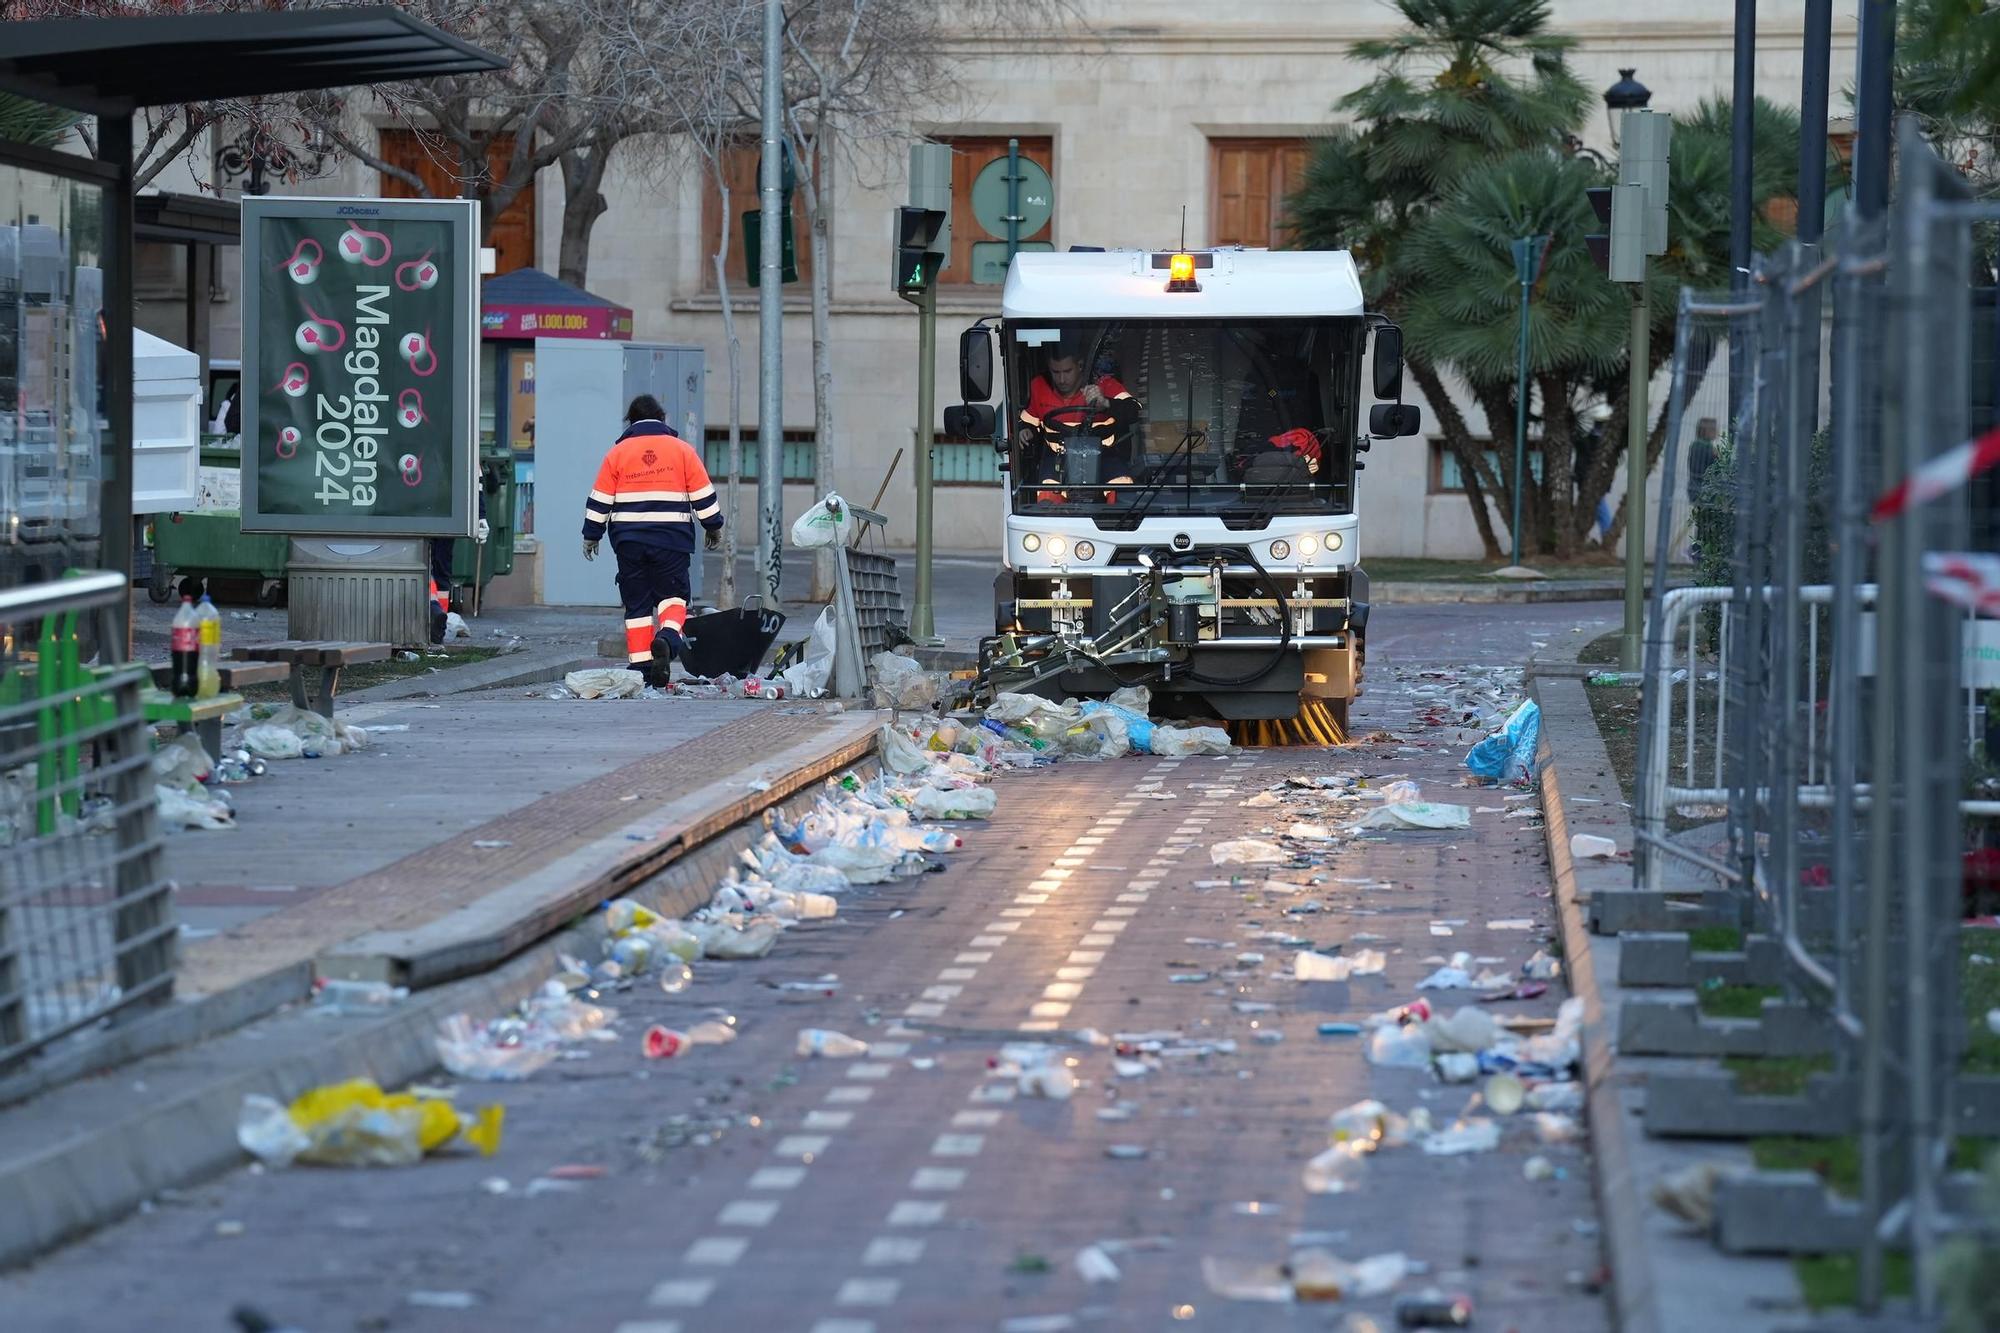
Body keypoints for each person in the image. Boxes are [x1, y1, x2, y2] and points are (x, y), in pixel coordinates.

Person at [583, 394, 723, 684]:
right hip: (670, 539)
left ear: (630, 422)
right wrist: (713, 526)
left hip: (629, 543)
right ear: (662, 418)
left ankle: (642, 671)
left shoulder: (617, 454)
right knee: (673, 597)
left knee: (637, 607)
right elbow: (703, 495)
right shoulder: (682, 451)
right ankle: (669, 639)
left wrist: (591, 535)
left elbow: (600, 501)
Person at [1016, 344, 1140, 498]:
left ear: (1080, 366)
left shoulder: (1104, 384)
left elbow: (1134, 410)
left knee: (1123, 486)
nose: (1061, 379)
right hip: (1058, 458)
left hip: (1104, 456)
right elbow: (1028, 420)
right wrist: (1025, 430)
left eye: (1067, 371)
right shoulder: (1039, 386)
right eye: (1056, 372)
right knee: (1046, 493)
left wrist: (1106, 403)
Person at [1686, 416, 1720, 560]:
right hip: (1703, 490)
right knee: (1706, 522)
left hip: (1696, 489)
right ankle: (1697, 550)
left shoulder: (1695, 445)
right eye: (1714, 429)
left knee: (1704, 522)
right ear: (1707, 431)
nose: (1717, 432)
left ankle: (1698, 550)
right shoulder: (1704, 447)